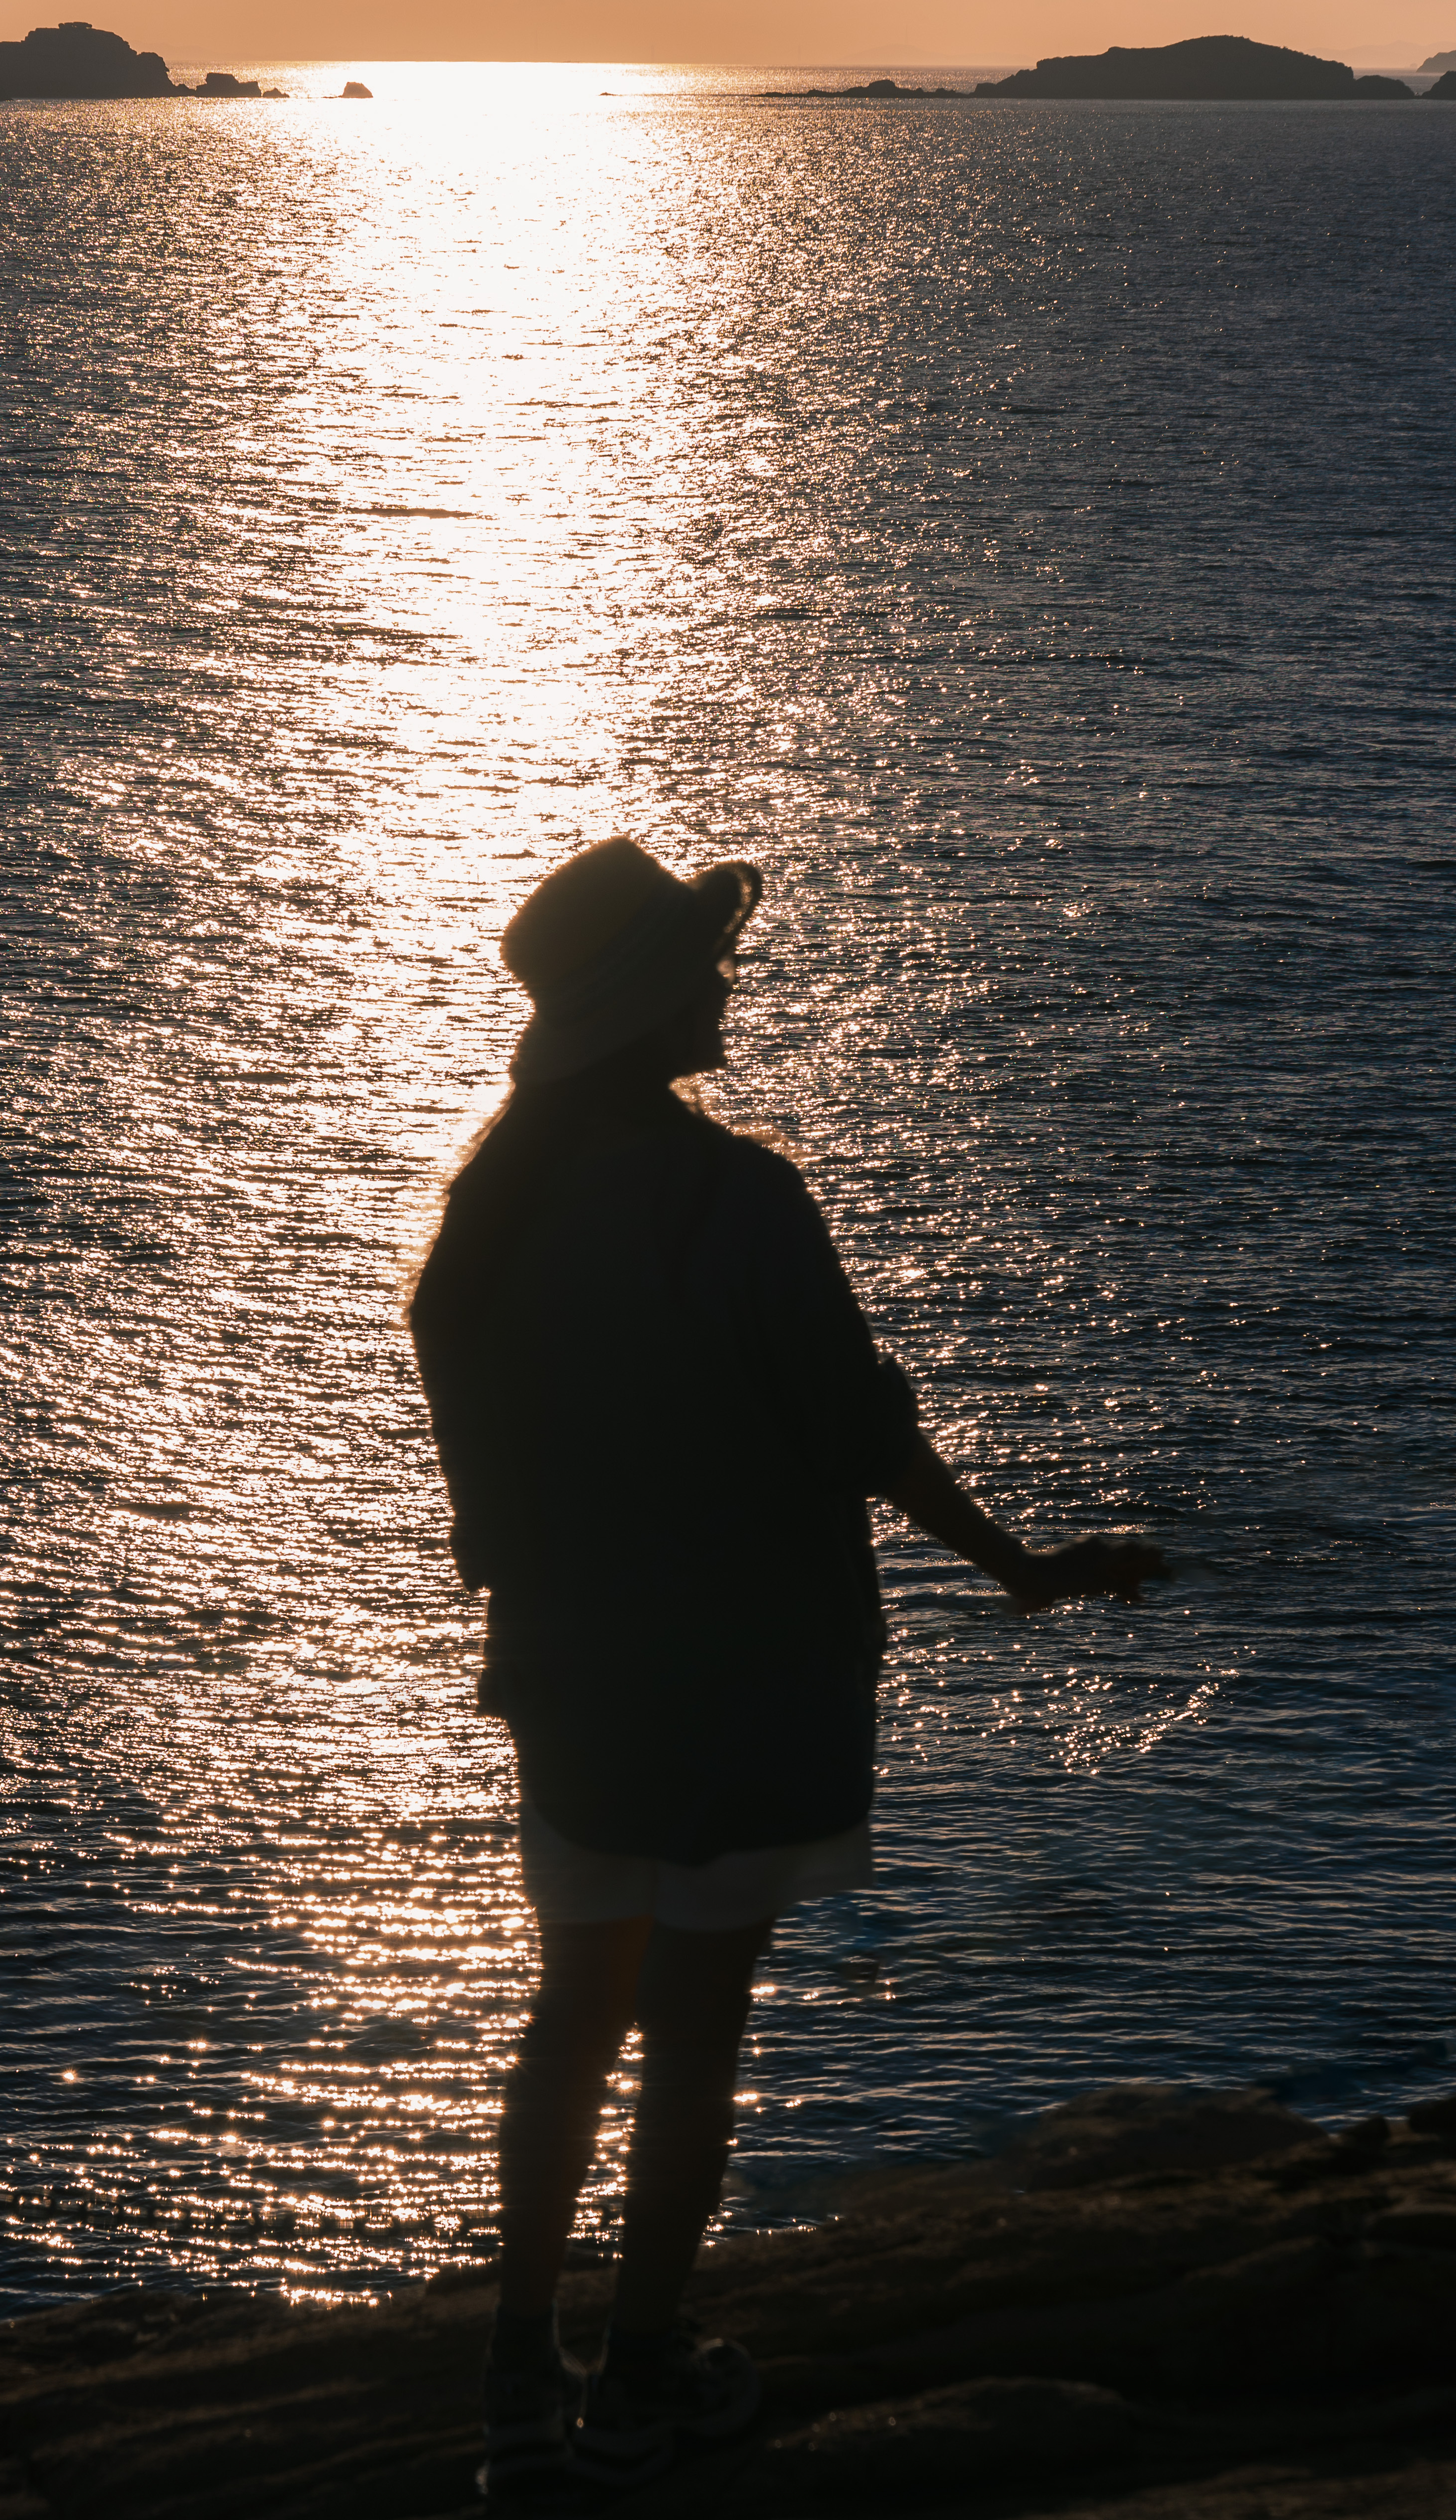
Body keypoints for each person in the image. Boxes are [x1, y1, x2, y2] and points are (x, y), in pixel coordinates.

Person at [409, 838, 1165, 2511]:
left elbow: (469, 1423)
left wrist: (525, 1575)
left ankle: (518, 2385)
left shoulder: (499, 1193)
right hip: (742, 1673)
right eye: (704, 960)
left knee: (567, 2020)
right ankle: (642, 2377)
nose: (727, 981)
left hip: (573, 1678)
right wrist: (1021, 1568)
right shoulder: (735, 1196)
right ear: (645, 1001)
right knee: (691, 2033)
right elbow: (861, 1429)